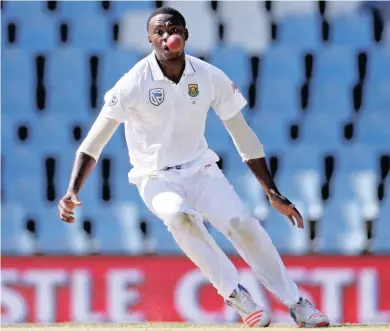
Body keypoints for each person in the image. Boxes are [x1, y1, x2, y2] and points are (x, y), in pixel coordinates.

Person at [58, 7, 330, 328]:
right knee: (179, 216)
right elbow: (93, 142)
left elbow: (242, 134)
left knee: (243, 225)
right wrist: (73, 190)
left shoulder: (208, 76)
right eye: (158, 32)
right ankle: (236, 295)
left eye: (172, 29)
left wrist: (271, 191)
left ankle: (297, 304)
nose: (166, 36)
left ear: (185, 35)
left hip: (201, 170)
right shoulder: (133, 83)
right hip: (155, 176)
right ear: (150, 39)